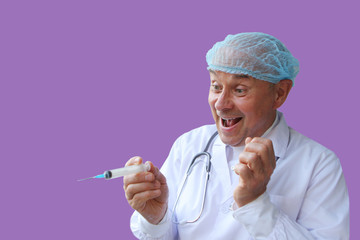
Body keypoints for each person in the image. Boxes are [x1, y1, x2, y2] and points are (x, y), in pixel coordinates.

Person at [123, 32, 349, 239]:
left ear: (279, 93)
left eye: (240, 89)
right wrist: (156, 218)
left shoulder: (319, 164)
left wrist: (256, 203)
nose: (221, 104)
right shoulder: (189, 145)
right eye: (216, 86)